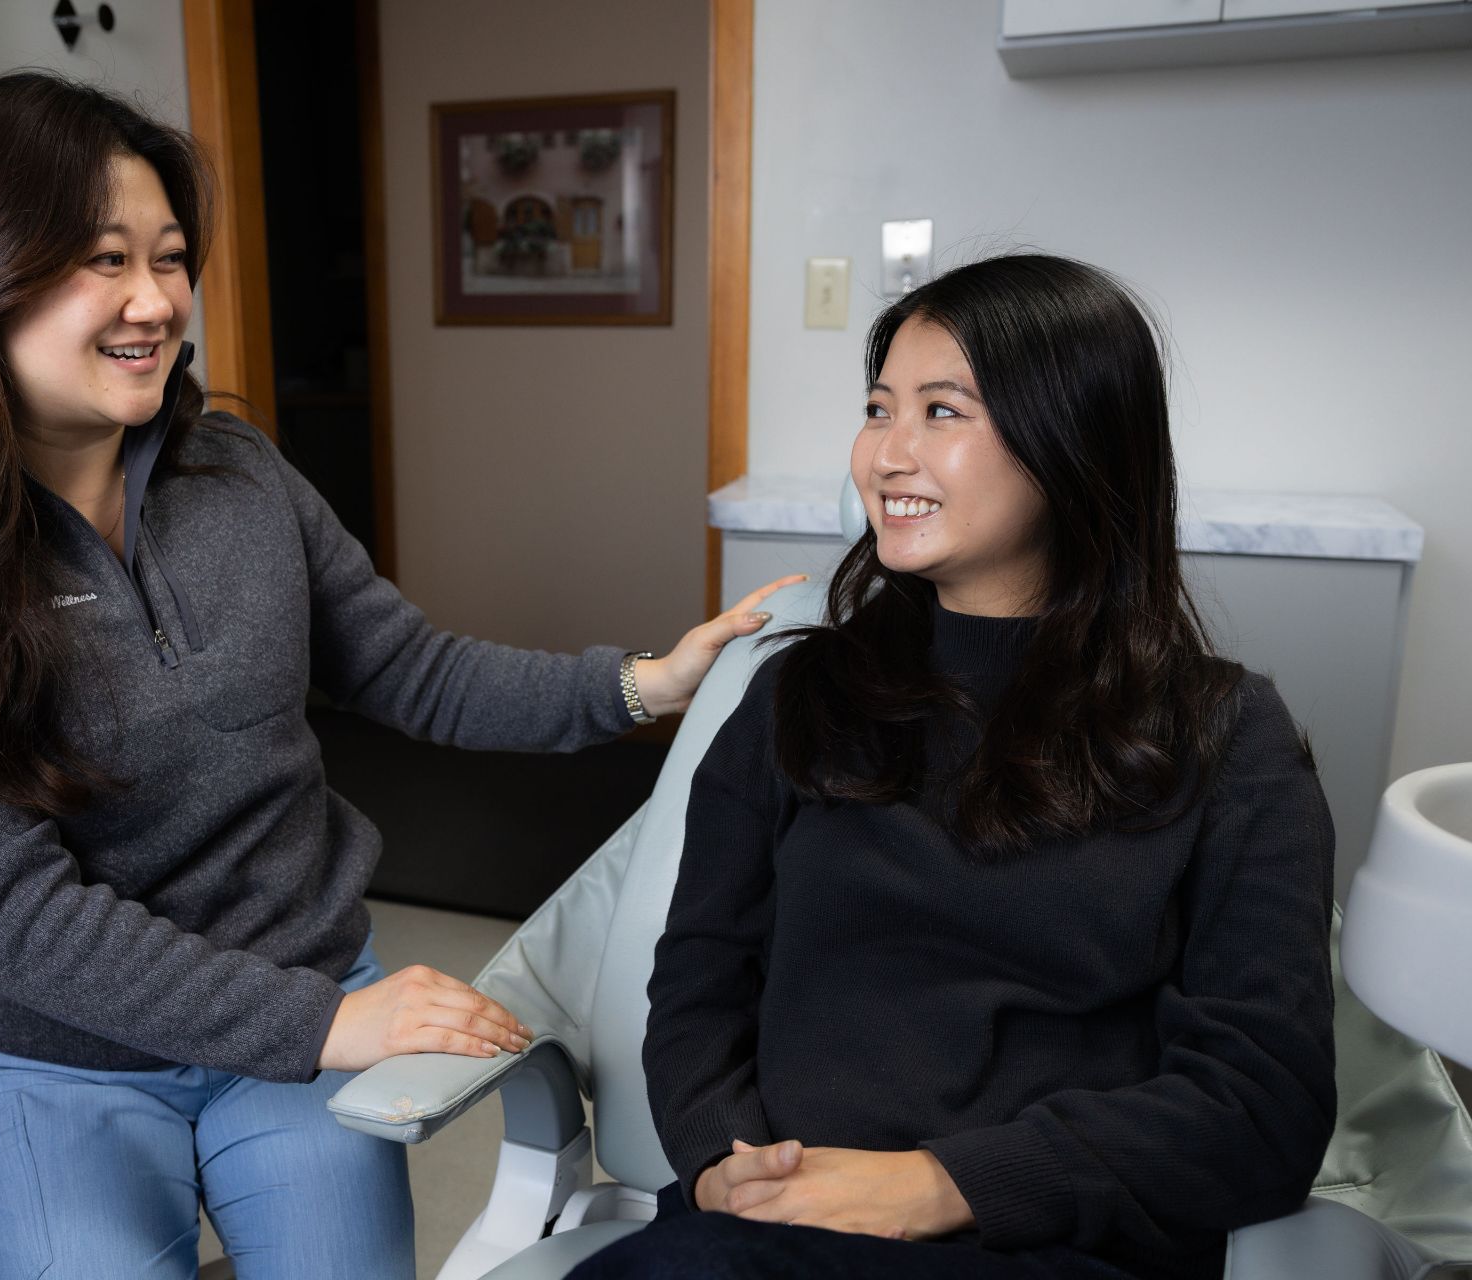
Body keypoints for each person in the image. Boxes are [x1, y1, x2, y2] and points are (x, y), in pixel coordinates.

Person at [0, 71, 798, 1280]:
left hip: (297, 982)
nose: (155, 300)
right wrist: (334, 1024)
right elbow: (23, 920)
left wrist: (638, 686)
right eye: (102, 259)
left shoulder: (236, 474)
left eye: (170, 255)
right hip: (59, 1049)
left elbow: (407, 664)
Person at [572, 255, 1338, 1280]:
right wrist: (718, 1157)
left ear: (1074, 439)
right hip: (760, 1234)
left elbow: (1262, 1104)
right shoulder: (796, 698)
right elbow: (702, 975)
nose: (888, 452)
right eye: (878, 407)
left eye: (942, 411)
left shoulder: (1221, 733)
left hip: (1050, 1246)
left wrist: (941, 1182)